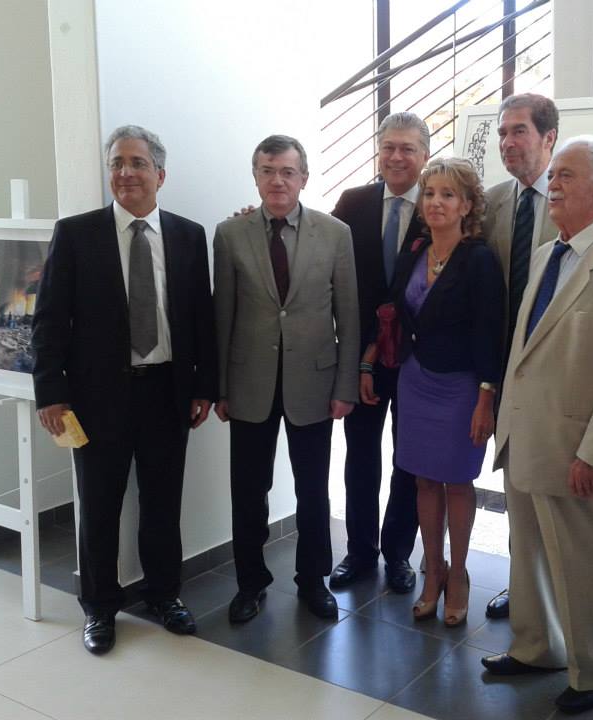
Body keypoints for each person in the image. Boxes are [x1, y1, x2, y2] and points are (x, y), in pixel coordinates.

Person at [481, 136, 593, 715]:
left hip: (579, 450)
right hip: (526, 437)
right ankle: (538, 647)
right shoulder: (546, 254)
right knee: (529, 553)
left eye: (566, 175)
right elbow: (525, 350)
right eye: (553, 174)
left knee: (589, 564)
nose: (552, 185)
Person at [32, 125, 217, 655]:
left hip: (167, 392)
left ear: (161, 174)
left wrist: (204, 385)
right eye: (117, 163)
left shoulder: (187, 235)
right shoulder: (76, 234)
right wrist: (51, 392)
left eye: (137, 163)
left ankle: (164, 595)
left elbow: (199, 317)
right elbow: (49, 321)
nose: (125, 173)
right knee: (99, 506)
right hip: (96, 398)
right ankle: (99, 607)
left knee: (162, 502)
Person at [213, 135, 359, 622]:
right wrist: (220, 388)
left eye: (287, 172)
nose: (277, 180)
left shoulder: (335, 234)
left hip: (313, 384)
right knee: (248, 492)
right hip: (248, 383)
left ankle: (313, 581)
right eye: (268, 171)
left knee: (312, 490)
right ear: (255, 176)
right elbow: (222, 315)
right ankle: (250, 583)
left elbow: (348, 317)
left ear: (304, 178)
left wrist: (344, 387)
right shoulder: (230, 235)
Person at [360, 157, 504, 626]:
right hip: (415, 379)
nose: (436, 202)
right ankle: (433, 570)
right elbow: (391, 312)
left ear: (467, 205)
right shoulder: (416, 250)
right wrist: (367, 360)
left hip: (462, 387)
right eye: (429, 193)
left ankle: (458, 574)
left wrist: (486, 397)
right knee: (422, 479)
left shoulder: (479, 259)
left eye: (447, 194)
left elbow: (490, 332)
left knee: (458, 482)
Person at [328, 112, 428, 594]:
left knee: (409, 458)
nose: (396, 156)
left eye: (407, 148)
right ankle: (360, 551)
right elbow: (319, 249)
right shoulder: (353, 202)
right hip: (361, 357)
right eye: (389, 146)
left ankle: (399, 553)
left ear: (425, 155)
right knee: (361, 456)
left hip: (417, 361)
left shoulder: (439, 203)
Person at [480, 92, 561, 620]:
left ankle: (567, 594)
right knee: (515, 485)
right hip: (503, 370)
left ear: (549, 137)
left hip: (557, 377)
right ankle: (524, 586)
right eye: (502, 133)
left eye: (519, 131)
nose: (507, 142)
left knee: (555, 491)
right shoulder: (491, 203)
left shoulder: (576, 198)